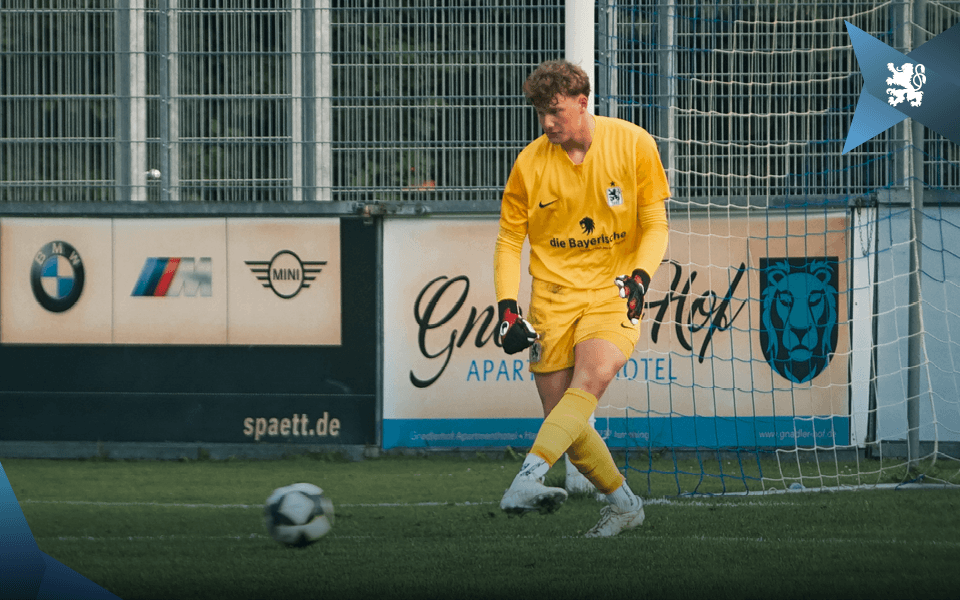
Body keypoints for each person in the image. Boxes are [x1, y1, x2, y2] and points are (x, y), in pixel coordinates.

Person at [493, 59, 670, 538]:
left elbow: (655, 223)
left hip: (614, 291)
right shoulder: (529, 163)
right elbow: (510, 240)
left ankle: (526, 478)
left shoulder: (633, 143)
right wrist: (507, 307)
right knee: (564, 422)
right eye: (539, 113)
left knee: (591, 379)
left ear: (581, 102)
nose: (547, 123)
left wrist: (640, 276)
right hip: (551, 300)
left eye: (554, 112)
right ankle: (625, 505)